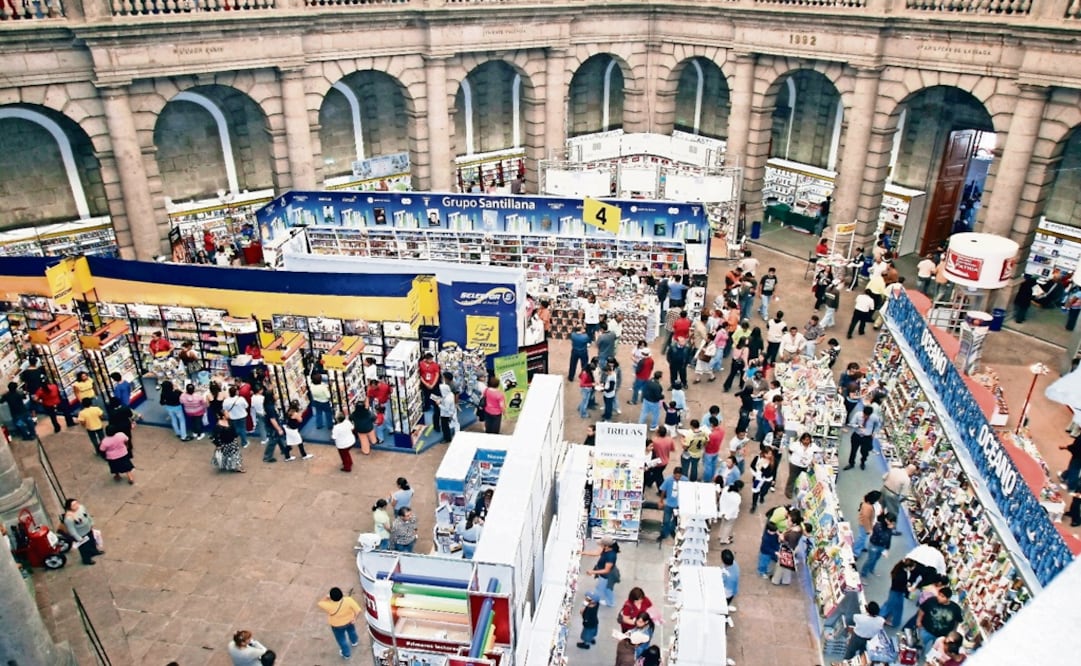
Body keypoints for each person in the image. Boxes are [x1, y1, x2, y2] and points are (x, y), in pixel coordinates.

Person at [916, 586, 964, 657]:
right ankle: (918, 654)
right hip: (927, 629)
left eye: (942, 596)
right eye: (939, 594)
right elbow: (922, 609)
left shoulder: (955, 609)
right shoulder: (931, 600)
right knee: (920, 643)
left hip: (942, 636)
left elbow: (957, 621)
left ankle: (928, 658)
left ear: (948, 598)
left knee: (935, 649)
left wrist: (953, 632)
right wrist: (918, 620)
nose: (939, 597)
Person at [317, 587, 361, 660]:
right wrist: (354, 619)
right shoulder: (348, 600)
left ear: (332, 597)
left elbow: (320, 603)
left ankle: (346, 654)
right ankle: (354, 641)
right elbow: (358, 610)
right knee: (352, 631)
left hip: (337, 625)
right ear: (341, 594)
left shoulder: (329, 605)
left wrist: (326, 597)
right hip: (349, 621)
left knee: (341, 639)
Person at [63, 498, 102, 565]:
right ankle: (86, 560)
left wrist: (91, 522)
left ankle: (94, 551)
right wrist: (78, 538)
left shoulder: (81, 507)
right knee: (84, 548)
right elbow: (72, 530)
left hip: (88, 529)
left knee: (92, 541)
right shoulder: (69, 518)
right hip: (81, 534)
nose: (76, 505)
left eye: (76, 503)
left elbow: (87, 515)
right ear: (69, 507)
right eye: (73, 505)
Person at [582, 537, 620, 607]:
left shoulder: (611, 556)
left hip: (607, 576)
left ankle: (592, 601)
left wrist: (593, 572)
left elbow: (606, 570)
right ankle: (610, 602)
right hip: (605, 574)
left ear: (607, 546)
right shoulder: (605, 549)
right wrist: (583, 553)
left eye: (601, 545)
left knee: (599, 589)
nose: (600, 546)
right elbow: (597, 553)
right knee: (607, 589)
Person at [882, 558, 918, 628]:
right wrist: (907, 588)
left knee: (894, 606)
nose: (914, 568)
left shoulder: (900, 571)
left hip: (896, 591)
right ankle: (883, 618)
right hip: (897, 591)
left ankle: (891, 619)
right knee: (892, 606)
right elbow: (900, 584)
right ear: (908, 567)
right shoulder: (902, 575)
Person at [846, 404, 882, 470]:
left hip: (867, 437)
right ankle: (851, 463)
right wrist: (857, 426)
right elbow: (851, 423)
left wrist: (874, 433)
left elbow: (878, 425)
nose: (865, 417)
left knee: (865, 452)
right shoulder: (858, 414)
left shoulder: (874, 417)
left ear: (870, 414)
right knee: (853, 451)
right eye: (864, 415)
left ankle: (863, 462)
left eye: (867, 416)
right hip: (857, 435)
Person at [860, 512, 896, 577]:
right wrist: (888, 529)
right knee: (870, 559)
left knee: (876, 559)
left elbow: (889, 538)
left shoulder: (889, 528)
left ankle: (871, 569)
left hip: (882, 547)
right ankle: (863, 573)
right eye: (891, 522)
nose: (892, 524)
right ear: (887, 520)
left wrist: (887, 549)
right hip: (874, 546)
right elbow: (878, 537)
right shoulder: (878, 526)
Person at [786, 432, 820, 499]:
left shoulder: (812, 446)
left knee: (803, 479)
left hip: (805, 466)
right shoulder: (796, 445)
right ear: (802, 440)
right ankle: (788, 492)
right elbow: (790, 450)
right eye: (805, 440)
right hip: (795, 464)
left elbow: (818, 451)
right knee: (792, 478)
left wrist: (813, 459)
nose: (807, 442)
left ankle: (799, 491)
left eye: (808, 440)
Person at [852, 490, 883, 558]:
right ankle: (855, 552)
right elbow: (866, 520)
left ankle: (861, 547)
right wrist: (868, 529)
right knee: (862, 538)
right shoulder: (868, 508)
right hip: (864, 525)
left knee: (863, 537)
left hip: (866, 523)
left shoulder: (867, 501)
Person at [657, 467, 684, 541]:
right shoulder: (668, 480)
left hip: (679, 504)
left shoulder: (685, 480)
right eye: (676, 476)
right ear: (673, 474)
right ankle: (663, 534)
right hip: (669, 504)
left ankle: (671, 531)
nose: (677, 478)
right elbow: (663, 490)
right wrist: (661, 501)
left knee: (676, 521)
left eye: (679, 476)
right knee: (666, 520)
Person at [749, 446, 776, 513]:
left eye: (771, 454)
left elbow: (774, 471)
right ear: (764, 453)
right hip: (757, 479)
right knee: (755, 491)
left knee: (764, 491)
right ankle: (754, 505)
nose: (770, 455)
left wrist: (773, 480)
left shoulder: (773, 461)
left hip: (767, 479)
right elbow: (752, 466)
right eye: (768, 454)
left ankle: (762, 496)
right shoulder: (758, 458)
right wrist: (756, 473)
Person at [716, 480, 744, 544]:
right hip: (730, 515)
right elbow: (734, 508)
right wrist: (728, 515)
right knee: (728, 526)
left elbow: (721, 499)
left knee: (723, 524)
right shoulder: (737, 497)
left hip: (723, 511)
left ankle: (720, 535)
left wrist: (721, 510)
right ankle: (724, 539)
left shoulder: (726, 489)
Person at [418, 352, 441, 422]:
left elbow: (437, 375)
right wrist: (426, 384)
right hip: (425, 384)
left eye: (432, 359)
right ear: (426, 359)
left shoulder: (435, 365)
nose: (431, 360)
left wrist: (433, 384)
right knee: (426, 396)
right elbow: (420, 375)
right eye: (430, 359)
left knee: (435, 396)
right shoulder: (421, 364)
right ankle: (427, 406)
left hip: (433, 384)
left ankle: (436, 407)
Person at [435, 378, 457, 443]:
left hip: (446, 414)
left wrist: (439, 404)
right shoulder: (450, 394)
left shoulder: (447, 399)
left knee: (445, 427)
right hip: (450, 412)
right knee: (446, 425)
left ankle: (447, 438)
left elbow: (446, 409)